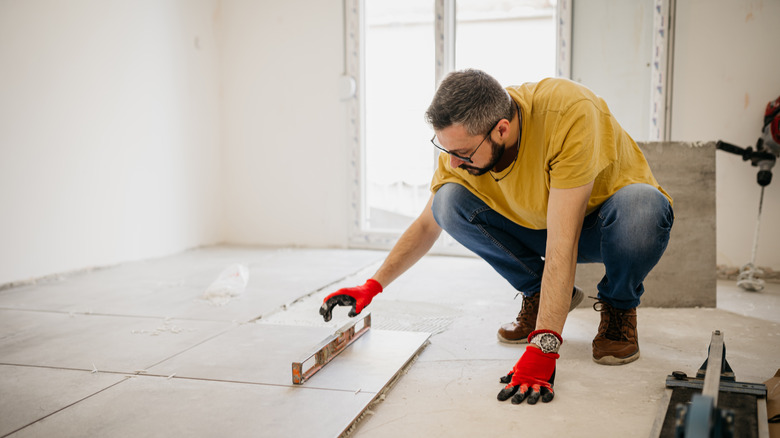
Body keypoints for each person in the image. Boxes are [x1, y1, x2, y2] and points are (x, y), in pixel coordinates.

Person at [320, 69, 673, 406]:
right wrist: (372, 285)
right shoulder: (464, 143)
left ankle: (619, 306)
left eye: (462, 153)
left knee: (643, 208)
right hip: (537, 225)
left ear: (501, 130)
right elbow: (428, 224)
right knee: (448, 201)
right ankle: (539, 294)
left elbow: (562, 243)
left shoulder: (569, 113)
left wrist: (545, 345)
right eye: (446, 151)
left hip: (603, 223)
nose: (454, 163)